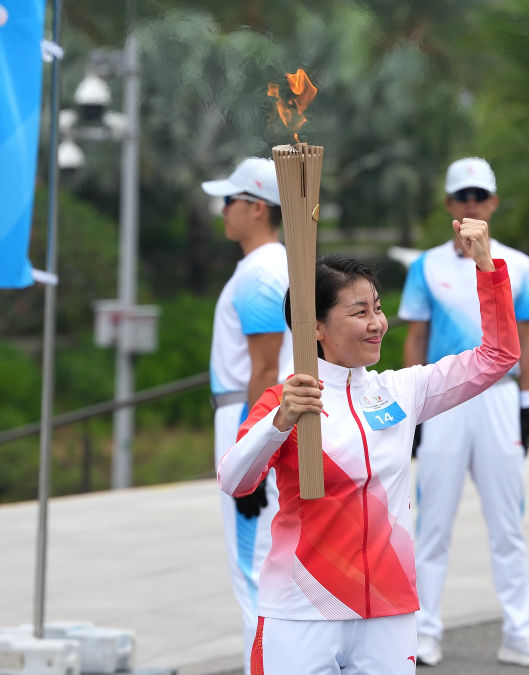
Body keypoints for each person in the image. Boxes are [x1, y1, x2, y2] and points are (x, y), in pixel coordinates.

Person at [217, 218, 520, 674]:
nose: (377, 323)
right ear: (315, 327)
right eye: (359, 313)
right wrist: (279, 423)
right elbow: (234, 480)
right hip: (302, 606)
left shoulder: (400, 391)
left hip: (388, 606)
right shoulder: (287, 399)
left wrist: (486, 268)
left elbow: (497, 357)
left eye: (377, 308)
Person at [399, 157, 529, 668]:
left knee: (507, 523)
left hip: (500, 401)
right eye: (461, 196)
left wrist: (527, 405)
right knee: (434, 522)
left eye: (479, 196)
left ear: (493, 202)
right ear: (448, 205)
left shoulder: (519, 265)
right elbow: (414, 338)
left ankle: (519, 632)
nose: (470, 204)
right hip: (443, 399)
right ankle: (423, 632)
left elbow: (525, 340)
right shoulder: (425, 267)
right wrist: (411, 412)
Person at [201, 157, 292, 674]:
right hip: (264, 415)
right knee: (265, 564)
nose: (222, 211)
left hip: (252, 413)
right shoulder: (277, 264)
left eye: (229, 201)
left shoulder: (260, 272)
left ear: (257, 208)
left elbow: (265, 367)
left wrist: (247, 455)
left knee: (253, 568)